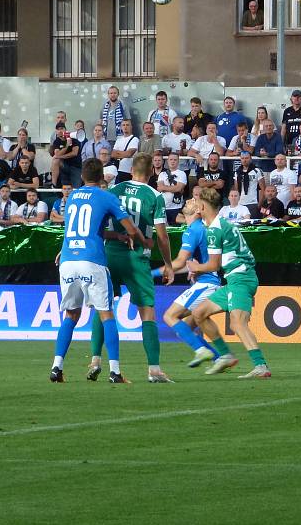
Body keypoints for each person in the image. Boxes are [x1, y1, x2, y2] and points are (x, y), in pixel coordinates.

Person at [50, 158, 153, 384]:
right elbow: (130, 226)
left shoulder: (73, 196)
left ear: (82, 177)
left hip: (68, 259)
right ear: (101, 177)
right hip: (92, 260)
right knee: (106, 314)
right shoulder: (107, 197)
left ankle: (57, 367)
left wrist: (114, 236)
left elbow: (78, 228)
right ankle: (115, 372)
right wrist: (143, 240)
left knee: (71, 315)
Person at [84, 153, 174, 383]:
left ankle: (95, 359)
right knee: (147, 312)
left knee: (103, 307)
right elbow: (162, 237)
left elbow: (96, 227)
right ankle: (154, 369)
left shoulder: (114, 190)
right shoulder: (155, 196)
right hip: (137, 258)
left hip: (111, 253)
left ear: (131, 169)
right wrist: (168, 264)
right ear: (152, 172)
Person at [189, 187, 271, 379]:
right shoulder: (222, 224)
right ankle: (225, 355)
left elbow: (213, 265)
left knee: (238, 323)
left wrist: (196, 267)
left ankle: (260, 365)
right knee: (199, 313)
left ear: (202, 205)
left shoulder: (215, 229)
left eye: (197, 202)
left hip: (240, 278)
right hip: (236, 278)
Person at [159, 199, 222, 363]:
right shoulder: (200, 229)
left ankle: (202, 351)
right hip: (208, 281)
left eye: (193, 202)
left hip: (207, 283)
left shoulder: (193, 230)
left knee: (169, 316)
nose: (187, 201)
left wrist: (150, 273)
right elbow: (189, 265)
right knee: (184, 328)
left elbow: (180, 262)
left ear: (198, 211)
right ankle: (219, 358)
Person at [157, 152, 187, 224]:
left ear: (178, 161)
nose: (173, 161)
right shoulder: (162, 174)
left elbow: (179, 189)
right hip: (163, 206)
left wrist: (165, 188)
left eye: (175, 160)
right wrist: (173, 188)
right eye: (171, 159)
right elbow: (159, 188)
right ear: (168, 161)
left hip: (176, 207)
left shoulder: (182, 173)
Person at [233, 150, 264, 218]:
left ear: (250, 159)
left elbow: (262, 188)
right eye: (242, 158)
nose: (244, 160)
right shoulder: (237, 172)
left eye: (246, 158)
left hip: (253, 203)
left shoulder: (257, 171)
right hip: (241, 203)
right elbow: (236, 189)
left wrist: (259, 204)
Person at [50, 122, 82, 188]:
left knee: (76, 188)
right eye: (58, 129)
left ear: (65, 129)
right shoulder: (57, 141)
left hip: (76, 166)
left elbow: (74, 153)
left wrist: (60, 156)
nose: (60, 131)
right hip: (65, 166)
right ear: (56, 131)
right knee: (55, 161)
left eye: (62, 128)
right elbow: (57, 154)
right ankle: (53, 185)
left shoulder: (73, 138)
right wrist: (67, 146)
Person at [111, 119, 140, 183]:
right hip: (119, 169)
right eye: (123, 125)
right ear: (121, 127)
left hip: (129, 171)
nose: (125, 127)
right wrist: (124, 153)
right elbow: (113, 154)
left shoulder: (135, 139)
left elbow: (129, 154)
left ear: (131, 127)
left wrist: (118, 153)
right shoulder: (119, 140)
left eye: (127, 125)